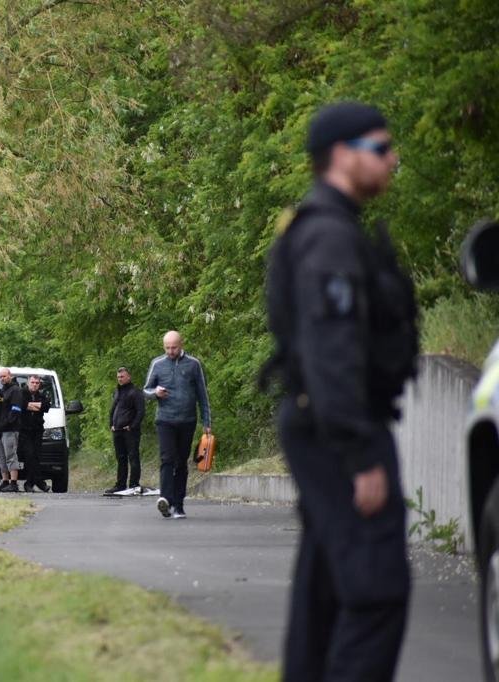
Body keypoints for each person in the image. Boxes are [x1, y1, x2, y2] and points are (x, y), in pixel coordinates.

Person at [263, 101, 416, 682]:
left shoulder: (324, 228)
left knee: (324, 588)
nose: (392, 158)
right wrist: (359, 454)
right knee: (376, 591)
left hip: (324, 425)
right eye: (381, 148)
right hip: (339, 432)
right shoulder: (328, 238)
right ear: (345, 156)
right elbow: (331, 356)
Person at [143, 330, 211, 519]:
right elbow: (145, 390)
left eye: (174, 347)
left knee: (181, 462)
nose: (170, 351)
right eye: (167, 348)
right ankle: (165, 498)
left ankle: (178, 505)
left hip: (187, 420)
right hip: (165, 419)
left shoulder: (194, 364)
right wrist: (155, 392)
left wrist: (207, 422)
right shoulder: (157, 364)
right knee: (167, 458)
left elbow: (202, 394)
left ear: (181, 345)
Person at [105, 367, 146, 495]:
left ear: (129, 377)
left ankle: (134, 484)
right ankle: (120, 484)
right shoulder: (117, 391)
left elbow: (141, 411)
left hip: (130, 431)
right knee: (121, 458)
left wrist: (132, 426)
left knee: (133, 457)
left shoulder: (135, 392)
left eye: (122, 377)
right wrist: (111, 424)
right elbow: (114, 409)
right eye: (118, 377)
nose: (120, 379)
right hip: (117, 430)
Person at [18, 374, 51, 492]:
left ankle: (30, 483)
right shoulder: (22, 393)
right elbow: (22, 405)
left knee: (36, 457)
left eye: (37, 383)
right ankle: (40, 482)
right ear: (28, 383)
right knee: (29, 455)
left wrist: (32, 406)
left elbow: (46, 406)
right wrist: (38, 406)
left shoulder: (41, 395)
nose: (35, 385)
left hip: (37, 430)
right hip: (24, 430)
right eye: (32, 382)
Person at [0, 368, 23, 492]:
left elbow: (16, 410)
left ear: (10, 376)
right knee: (1, 456)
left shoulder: (15, 390)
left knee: (11, 455)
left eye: (4, 376)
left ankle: (14, 483)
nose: (2, 378)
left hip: (11, 429)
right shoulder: (2, 391)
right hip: (1, 430)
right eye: (1, 377)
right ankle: (5, 481)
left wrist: (7, 423)